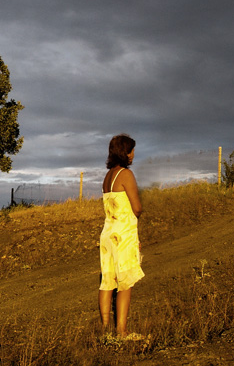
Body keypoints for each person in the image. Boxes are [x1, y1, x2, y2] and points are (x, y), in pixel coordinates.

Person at [99, 133, 145, 340]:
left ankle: (105, 328)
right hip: (123, 234)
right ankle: (122, 331)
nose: (133, 154)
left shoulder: (108, 177)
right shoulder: (126, 175)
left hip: (108, 233)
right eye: (131, 150)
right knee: (125, 282)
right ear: (124, 152)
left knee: (107, 281)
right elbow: (136, 208)